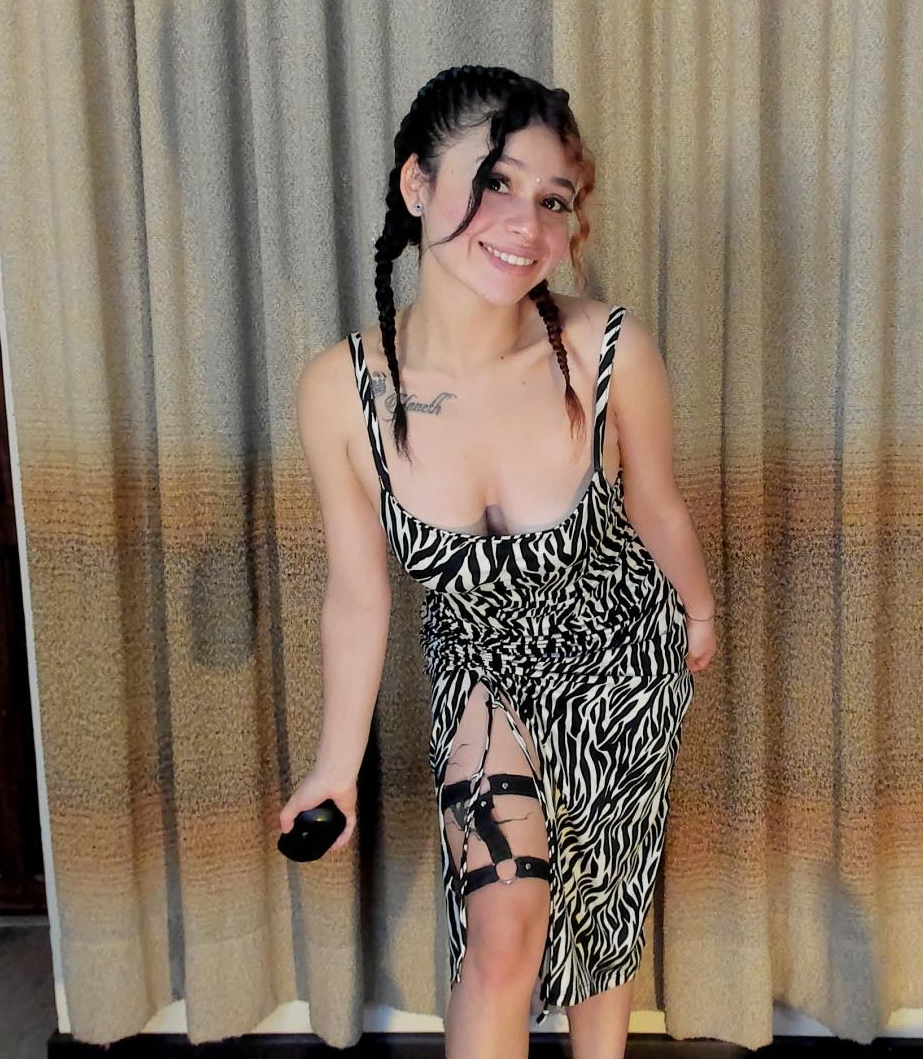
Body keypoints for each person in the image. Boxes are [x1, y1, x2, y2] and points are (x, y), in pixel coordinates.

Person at [280, 65, 717, 1059]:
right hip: (481, 677)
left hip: (625, 659)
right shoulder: (342, 391)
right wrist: (334, 769)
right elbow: (358, 594)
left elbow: (656, 503)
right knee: (501, 940)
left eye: (552, 200)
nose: (526, 223)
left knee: (603, 915)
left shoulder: (607, 348)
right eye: (495, 182)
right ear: (417, 184)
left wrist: (698, 612)